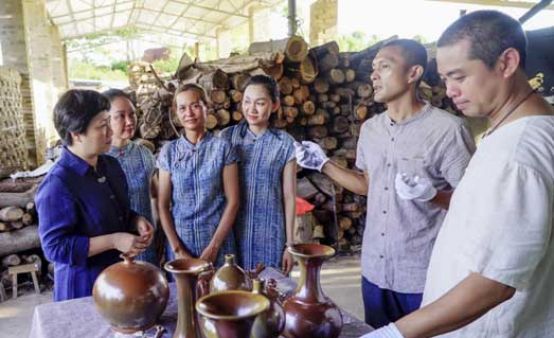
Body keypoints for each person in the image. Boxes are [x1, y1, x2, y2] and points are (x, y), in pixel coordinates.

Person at [365, 10, 554, 338]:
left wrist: (392, 334)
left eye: (459, 76)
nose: (450, 90)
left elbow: (494, 283)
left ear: (506, 63)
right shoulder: (508, 134)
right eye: (446, 79)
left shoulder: (519, 154)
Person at [295, 39, 475, 328]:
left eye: (385, 66)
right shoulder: (371, 129)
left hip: (423, 273)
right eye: (374, 68)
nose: (374, 75)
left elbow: (473, 204)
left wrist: (432, 196)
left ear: (413, 73)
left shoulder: (448, 131)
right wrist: (323, 163)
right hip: (375, 271)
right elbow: (367, 185)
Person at [36, 89, 154, 301]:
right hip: (82, 288)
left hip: (117, 280)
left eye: (109, 122)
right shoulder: (58, 184)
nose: (110, 132)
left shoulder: (110, 165)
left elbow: (118, 212)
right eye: (102, 126)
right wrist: (114, 240)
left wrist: (136, 220)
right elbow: (55, 247)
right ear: (76, 134)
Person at [220, 75, 296, 275]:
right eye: (247, 101)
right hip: (233, 233)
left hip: (270, 234)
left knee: (269, 294)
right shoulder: (227, 138)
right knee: (234, 294)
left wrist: (290, 245)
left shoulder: (285, 144)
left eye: (260, 103)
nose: (251, 109)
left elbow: (289, 197)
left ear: (275, 105)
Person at [157, 84, 239, 266]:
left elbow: (233, 202)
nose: (189, 113)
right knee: (184, 295)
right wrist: (178, 250)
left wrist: (214, 247)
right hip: (180, 245)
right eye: (182, 108)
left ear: (206, 107)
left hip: (219, 245)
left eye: (195, 105)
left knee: (221, 293)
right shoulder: (169, 152)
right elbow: (163, 205)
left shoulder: (222, 148)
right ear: (176, 113)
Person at [104, 89, 159, 266]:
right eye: (120, 116)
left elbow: (154, 197)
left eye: (132, 114)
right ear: (105, 120)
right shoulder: (98, 159)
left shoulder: (144, 154)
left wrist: (158, 235)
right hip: (113, 249)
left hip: (146, 243)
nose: (129, 121)